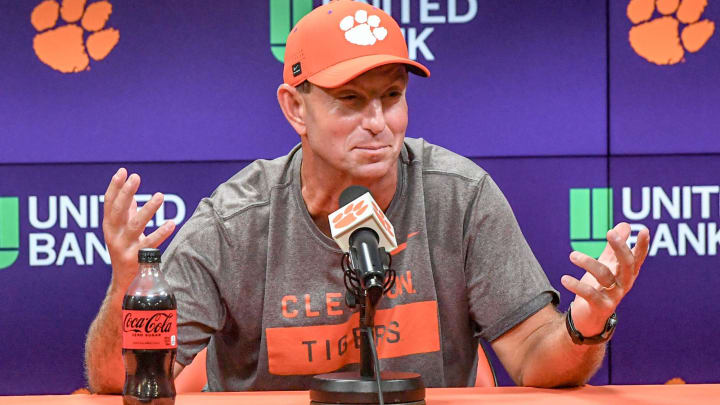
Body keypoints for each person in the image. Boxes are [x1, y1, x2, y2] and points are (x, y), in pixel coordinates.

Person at [85, 0, 650, 393]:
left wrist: (585, 324)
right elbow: (120, 380)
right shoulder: (237, 221)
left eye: (392, 96)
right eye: (350, 100)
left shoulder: (461, 198)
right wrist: (124, 292)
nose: (378, 122)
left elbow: (533, 359)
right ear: (294, 107)